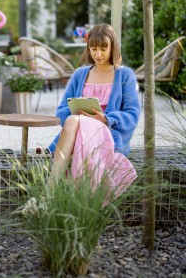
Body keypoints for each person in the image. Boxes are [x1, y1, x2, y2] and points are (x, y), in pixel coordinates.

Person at [46, 23, 140, 200]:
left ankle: (50, 191)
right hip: (78, 131)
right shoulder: (80, 74)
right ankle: (67, 200)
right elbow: (61, 112)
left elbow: (132, 114)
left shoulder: (125, 75)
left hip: (108, 134)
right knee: (73, 120)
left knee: (73, 121)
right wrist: (80, 115)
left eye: (103, 49)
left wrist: (106, 119)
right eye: (93, 48)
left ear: (113, 47)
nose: (98, 54)